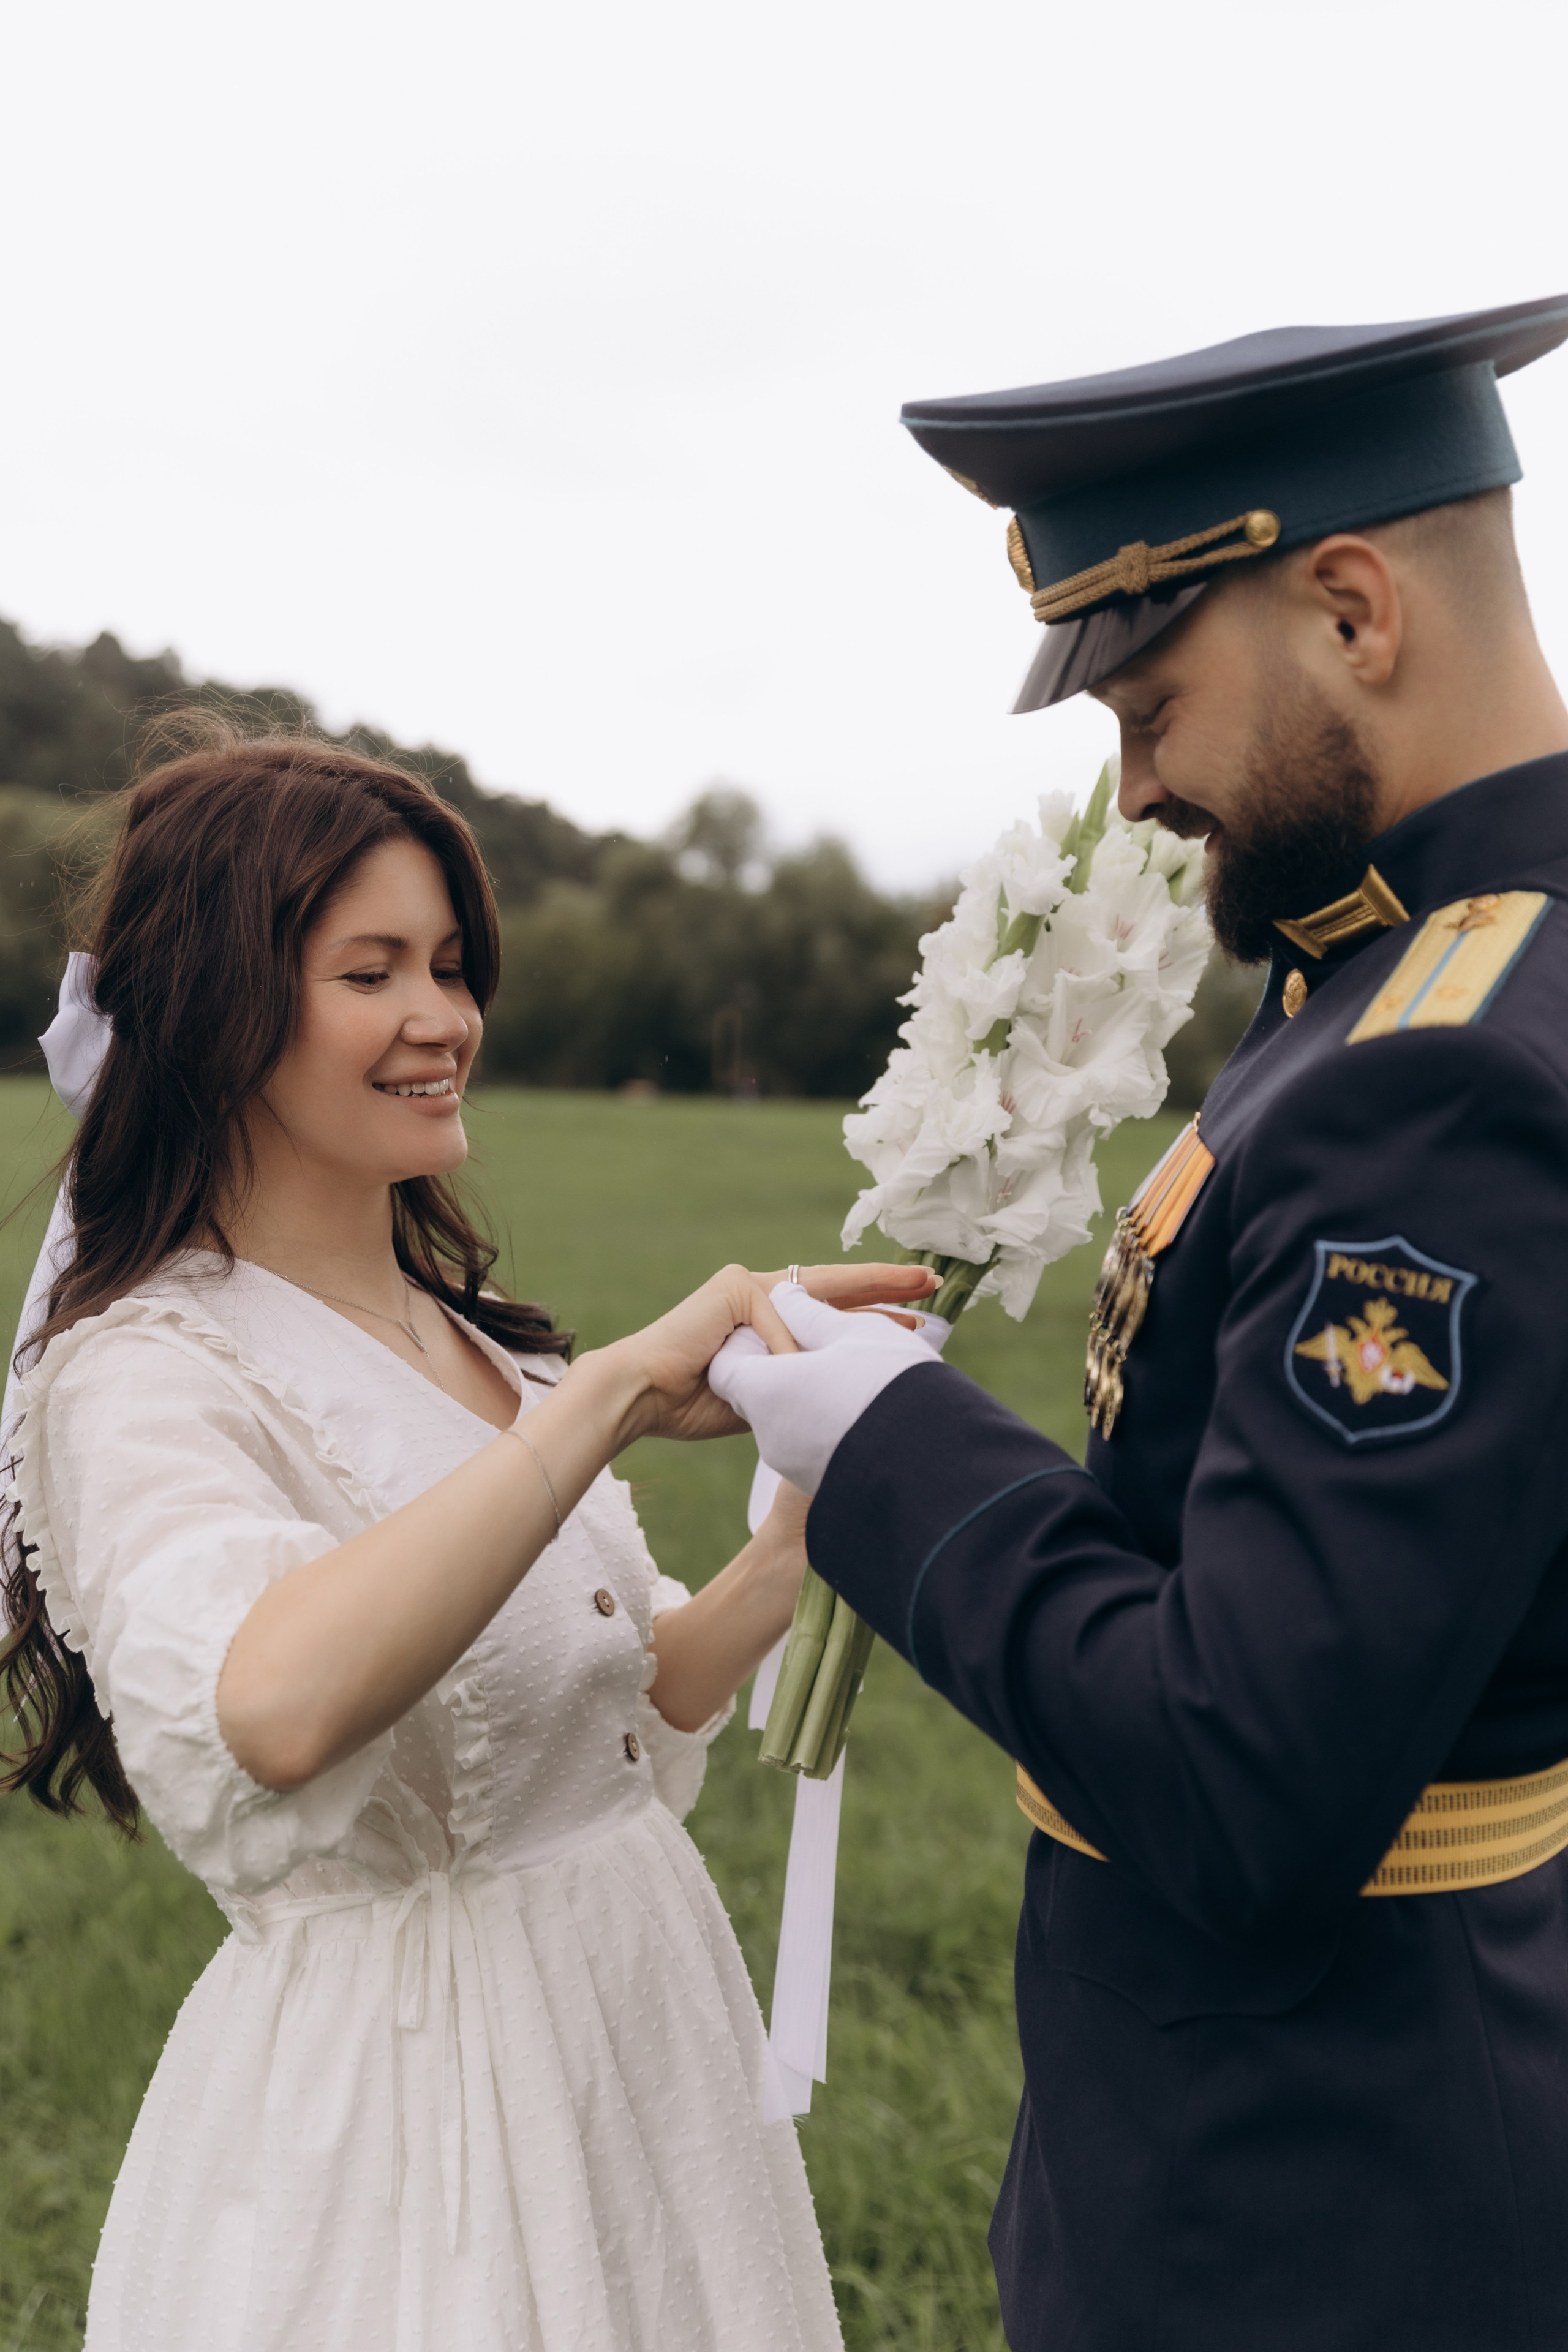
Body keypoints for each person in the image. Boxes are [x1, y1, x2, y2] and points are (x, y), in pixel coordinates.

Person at [710, 293, 1568, 2351]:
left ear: (1354, 610)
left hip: (1313, 2198)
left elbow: (1239, 1772)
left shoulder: (1434, 1072)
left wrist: (889, 1447)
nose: (1143, 785)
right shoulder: (1397, 986)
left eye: (1146, 700)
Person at [0, 719, 930, 2351]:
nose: (446, 1020)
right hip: (416, 2115)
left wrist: (818, 1510)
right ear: (224, 1009)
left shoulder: (475, 1339)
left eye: (449, 965)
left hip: (638, 2029)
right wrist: (622, 1390)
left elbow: (634, 1702)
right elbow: (274, 1707)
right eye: (374, 973)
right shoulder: (139, 1376)